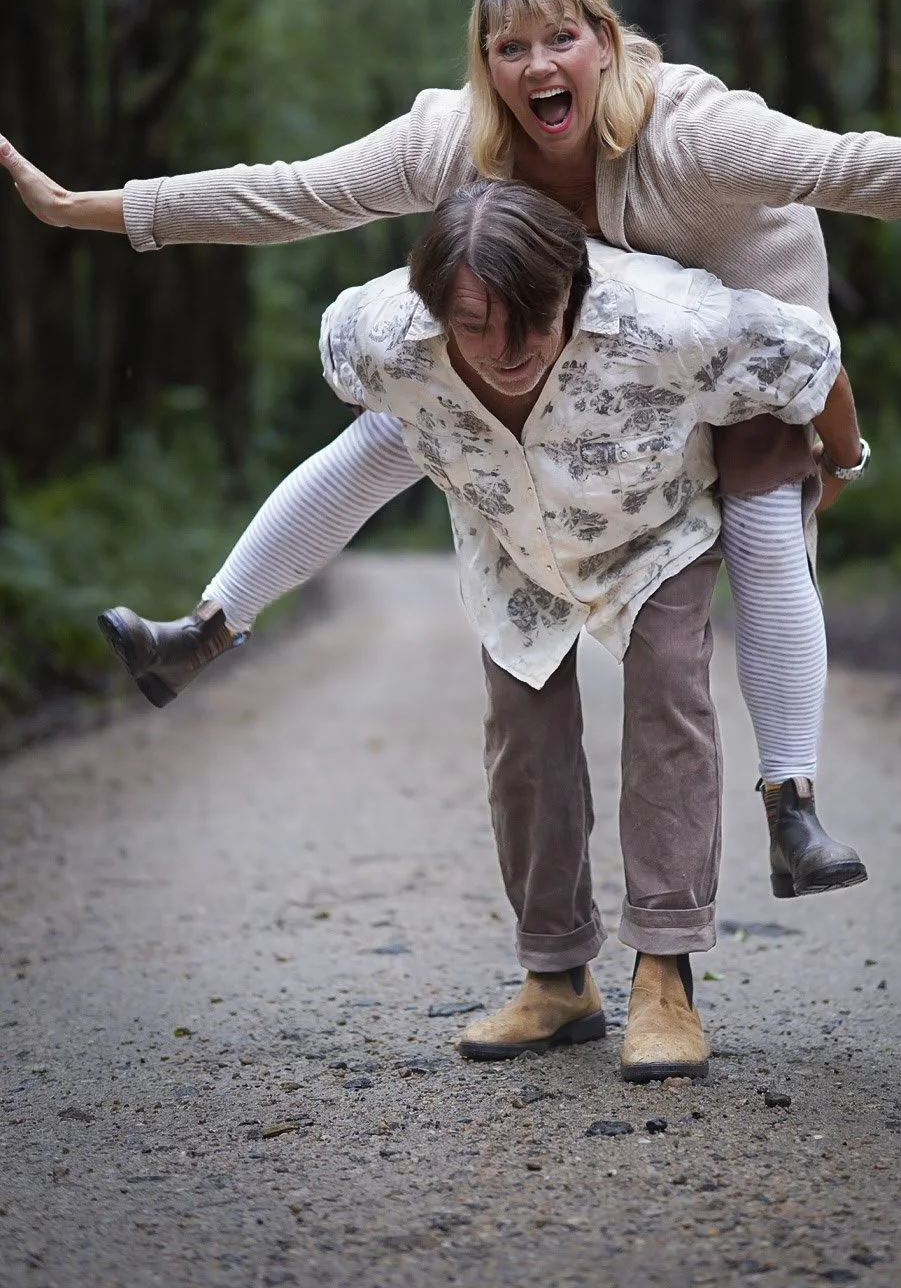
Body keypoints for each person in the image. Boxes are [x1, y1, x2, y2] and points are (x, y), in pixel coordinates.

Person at [4, 0, 901, 889]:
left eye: (560, 37)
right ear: (485, 63)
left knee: (761, 514)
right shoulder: (454, 140)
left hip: (739, 345)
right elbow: (289, 193)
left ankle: (791, 799)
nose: (536, 65)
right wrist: (86, 208)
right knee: (402, 421)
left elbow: (859, 167)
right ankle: (205, 627)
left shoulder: (694, 131)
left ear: (603, 42)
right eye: (510, 47)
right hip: (586, 348)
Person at [107, 180, 849, 1080]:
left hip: (656, 523)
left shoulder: (672, 317)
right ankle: (557, 977)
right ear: (432, 311)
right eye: (471, 327)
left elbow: (813, 362)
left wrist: (842, 459)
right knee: (523, 740)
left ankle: (666, 980)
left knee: (669, 705)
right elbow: (357, 448)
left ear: (575, 293)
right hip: (513, 534)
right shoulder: (378, 332)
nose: (502, 354)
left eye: (529, 328)